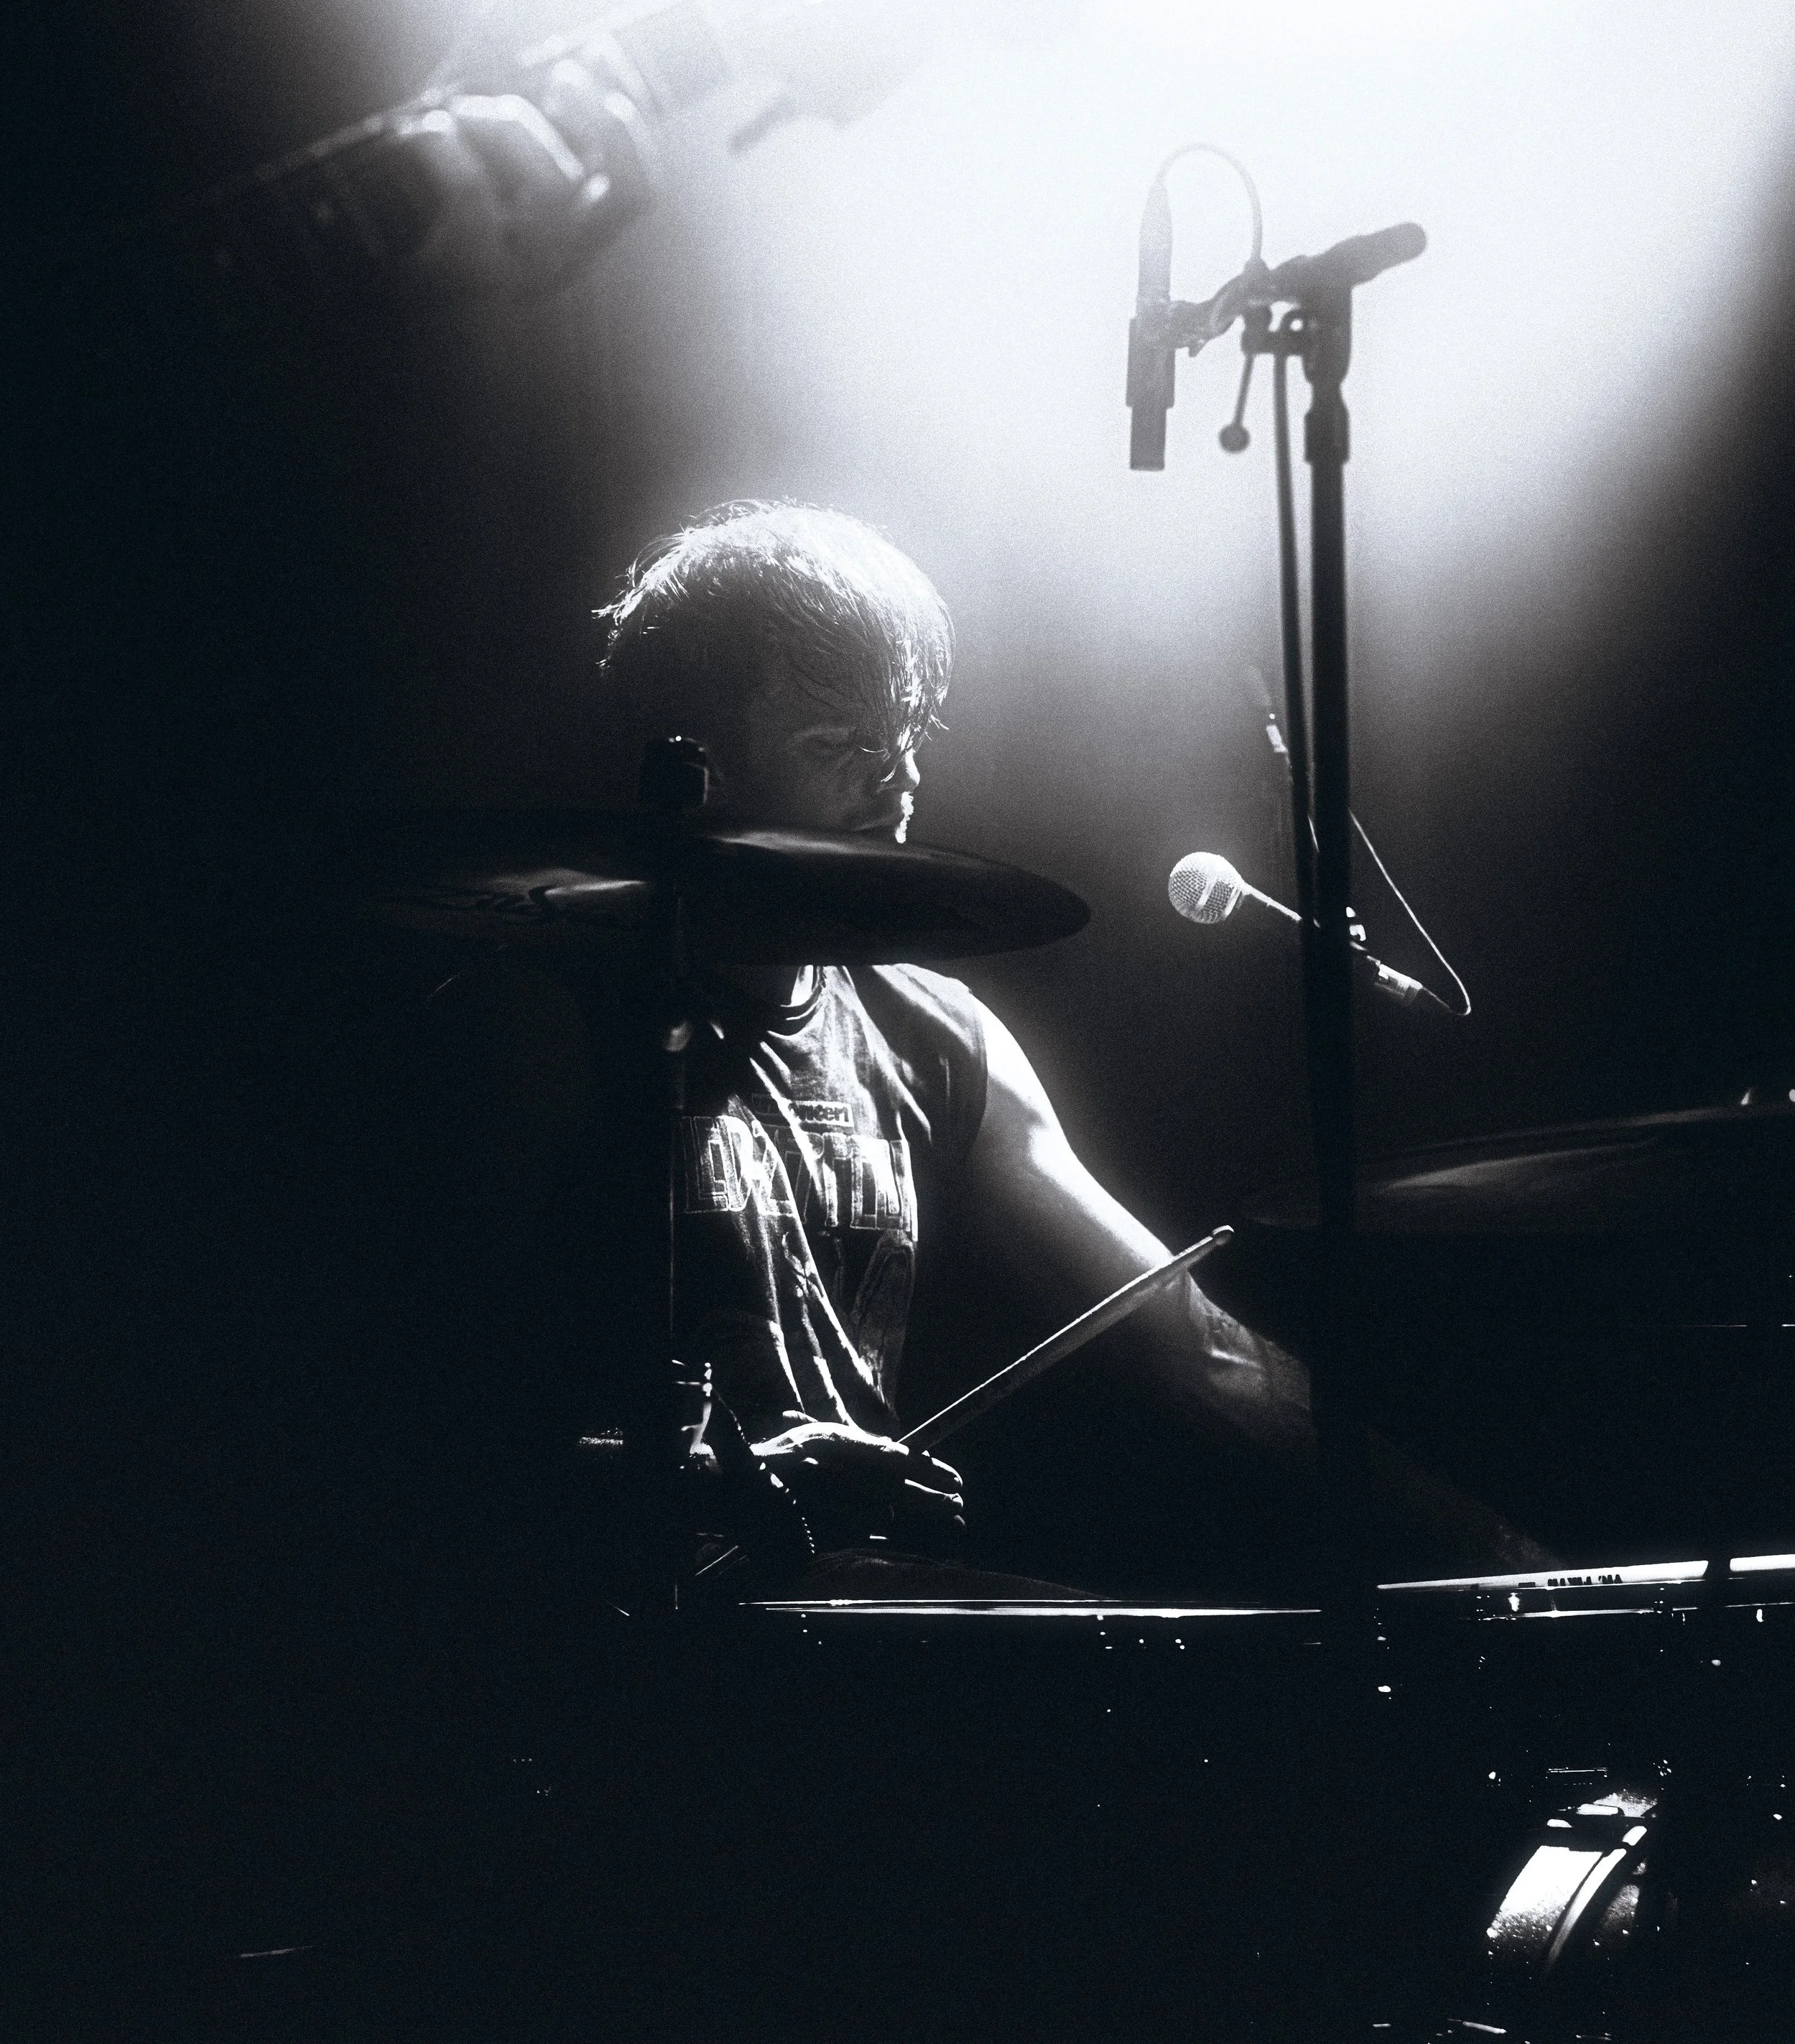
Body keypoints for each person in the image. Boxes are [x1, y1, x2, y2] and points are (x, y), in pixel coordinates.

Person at [585, 498, 1542, 1592]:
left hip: (849, 1641)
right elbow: (408, 1423)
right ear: (693, 765)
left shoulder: (930, 1032)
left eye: (902, 742)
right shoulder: (556, 1023)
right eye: (838, 747)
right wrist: (719, 1480)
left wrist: (1482, 1548)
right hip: (611, 1657)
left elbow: (1188, 1346)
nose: (897, 789)